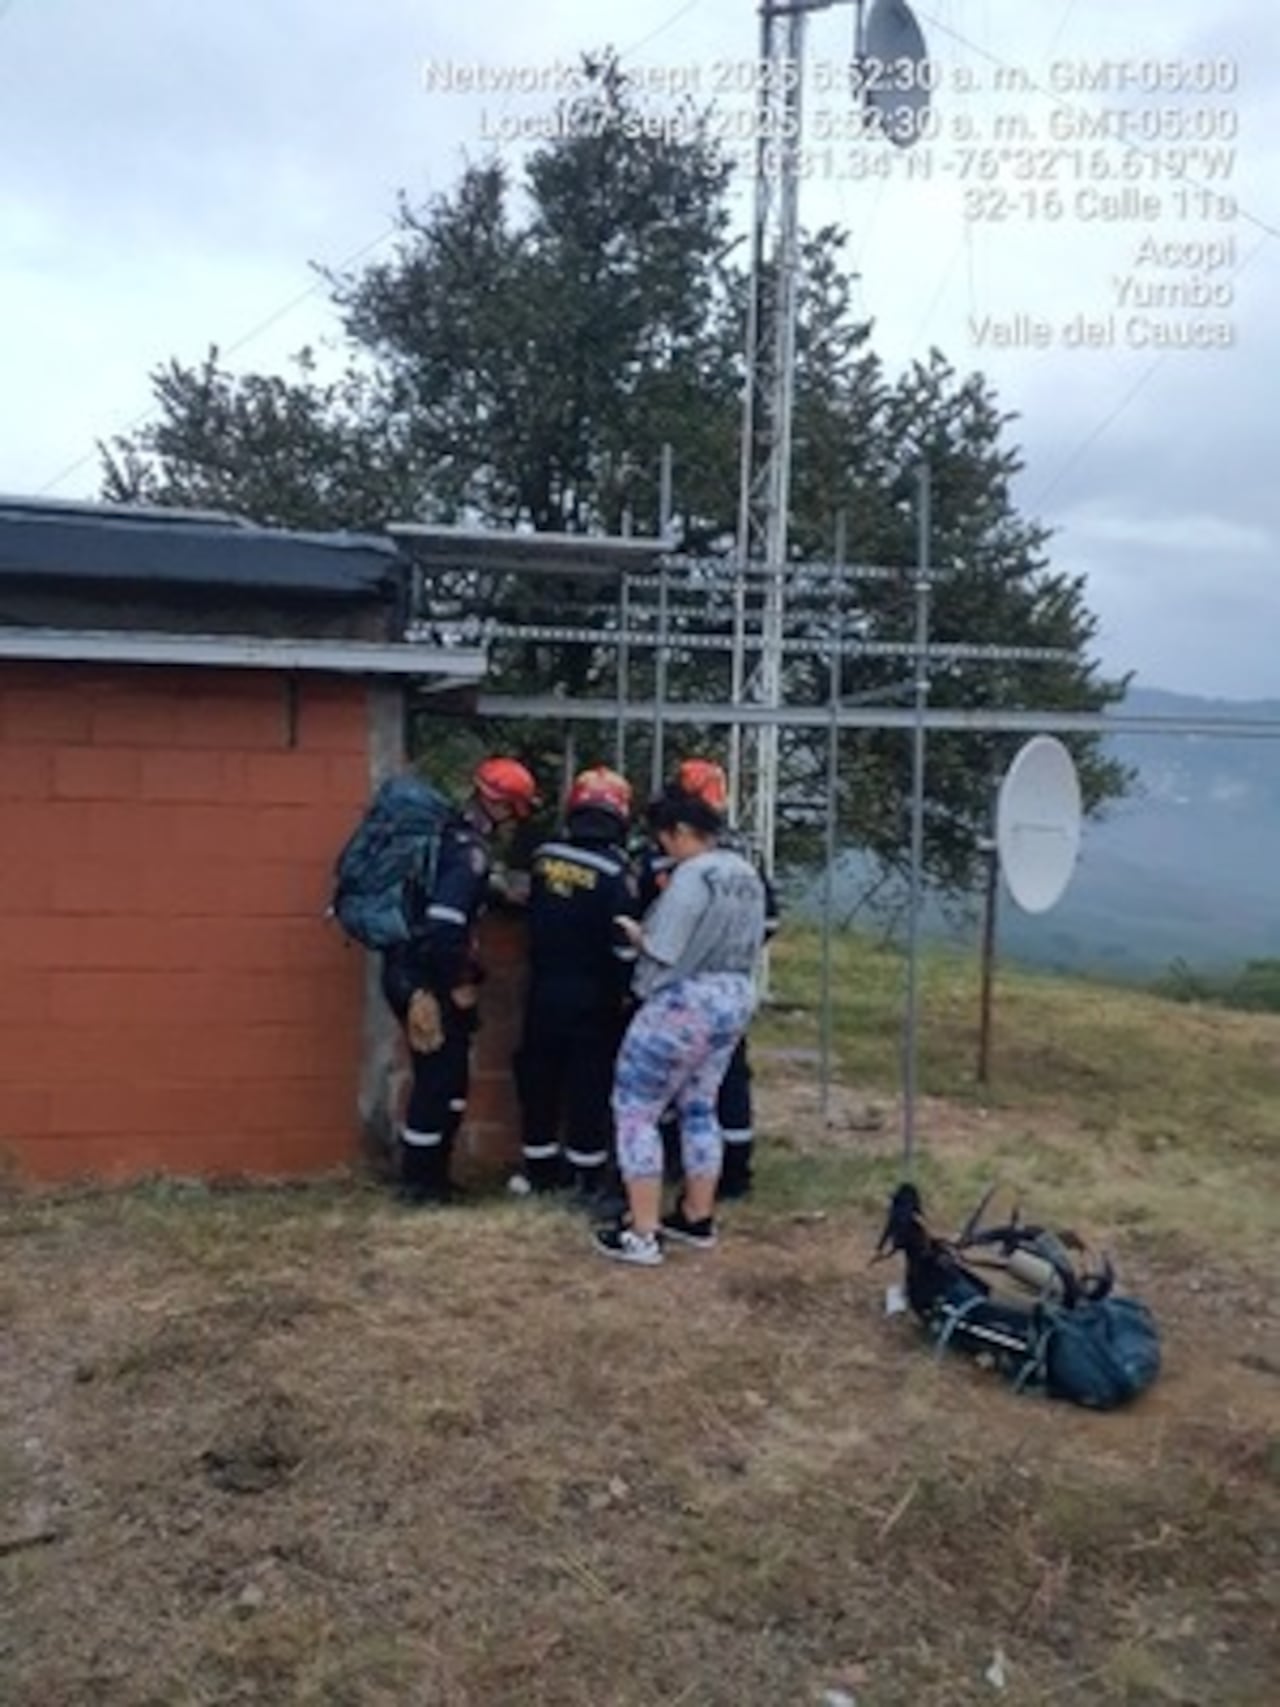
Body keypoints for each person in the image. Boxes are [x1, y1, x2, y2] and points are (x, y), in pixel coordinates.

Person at [595, 784, 766, 1267]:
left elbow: (663, 946)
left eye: (665, 838)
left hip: (682, 1002)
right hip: (734, 997)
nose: (663, 850)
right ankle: (697, 1216)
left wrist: (634, 931)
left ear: (685, 832)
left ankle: (642, 1233)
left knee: (636, 1110)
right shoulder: (747, 873)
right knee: (698, 1108)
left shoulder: (692, 876)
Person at [381, 756, 539, 1205]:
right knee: (439, 1080)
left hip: (408, 967)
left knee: (443, 1079)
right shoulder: (468, 851)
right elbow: (446, 927)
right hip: (427, 978)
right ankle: (420, 1184)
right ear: (505, 806)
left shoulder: (448, 836)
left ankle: (430, 1177)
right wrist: (458, 983)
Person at [636, 758, 781, 1201]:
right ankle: (727, 1180)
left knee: (652, 1089)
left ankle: (658, 1182)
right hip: (729, 992)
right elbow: (768, 919)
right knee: (718, 1089)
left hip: (676, 992)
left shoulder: (671, 855)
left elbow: (651, 923)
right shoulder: (741, 855)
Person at [512, 766, 639, 1206]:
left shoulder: (545, 857)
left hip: (543, 989)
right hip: (594, 996)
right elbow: (624, 946)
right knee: (588, 1085)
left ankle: (538, 1171)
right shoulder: (618, 873)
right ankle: (585, 1178)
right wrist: (628, 992)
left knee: (538, 1079)